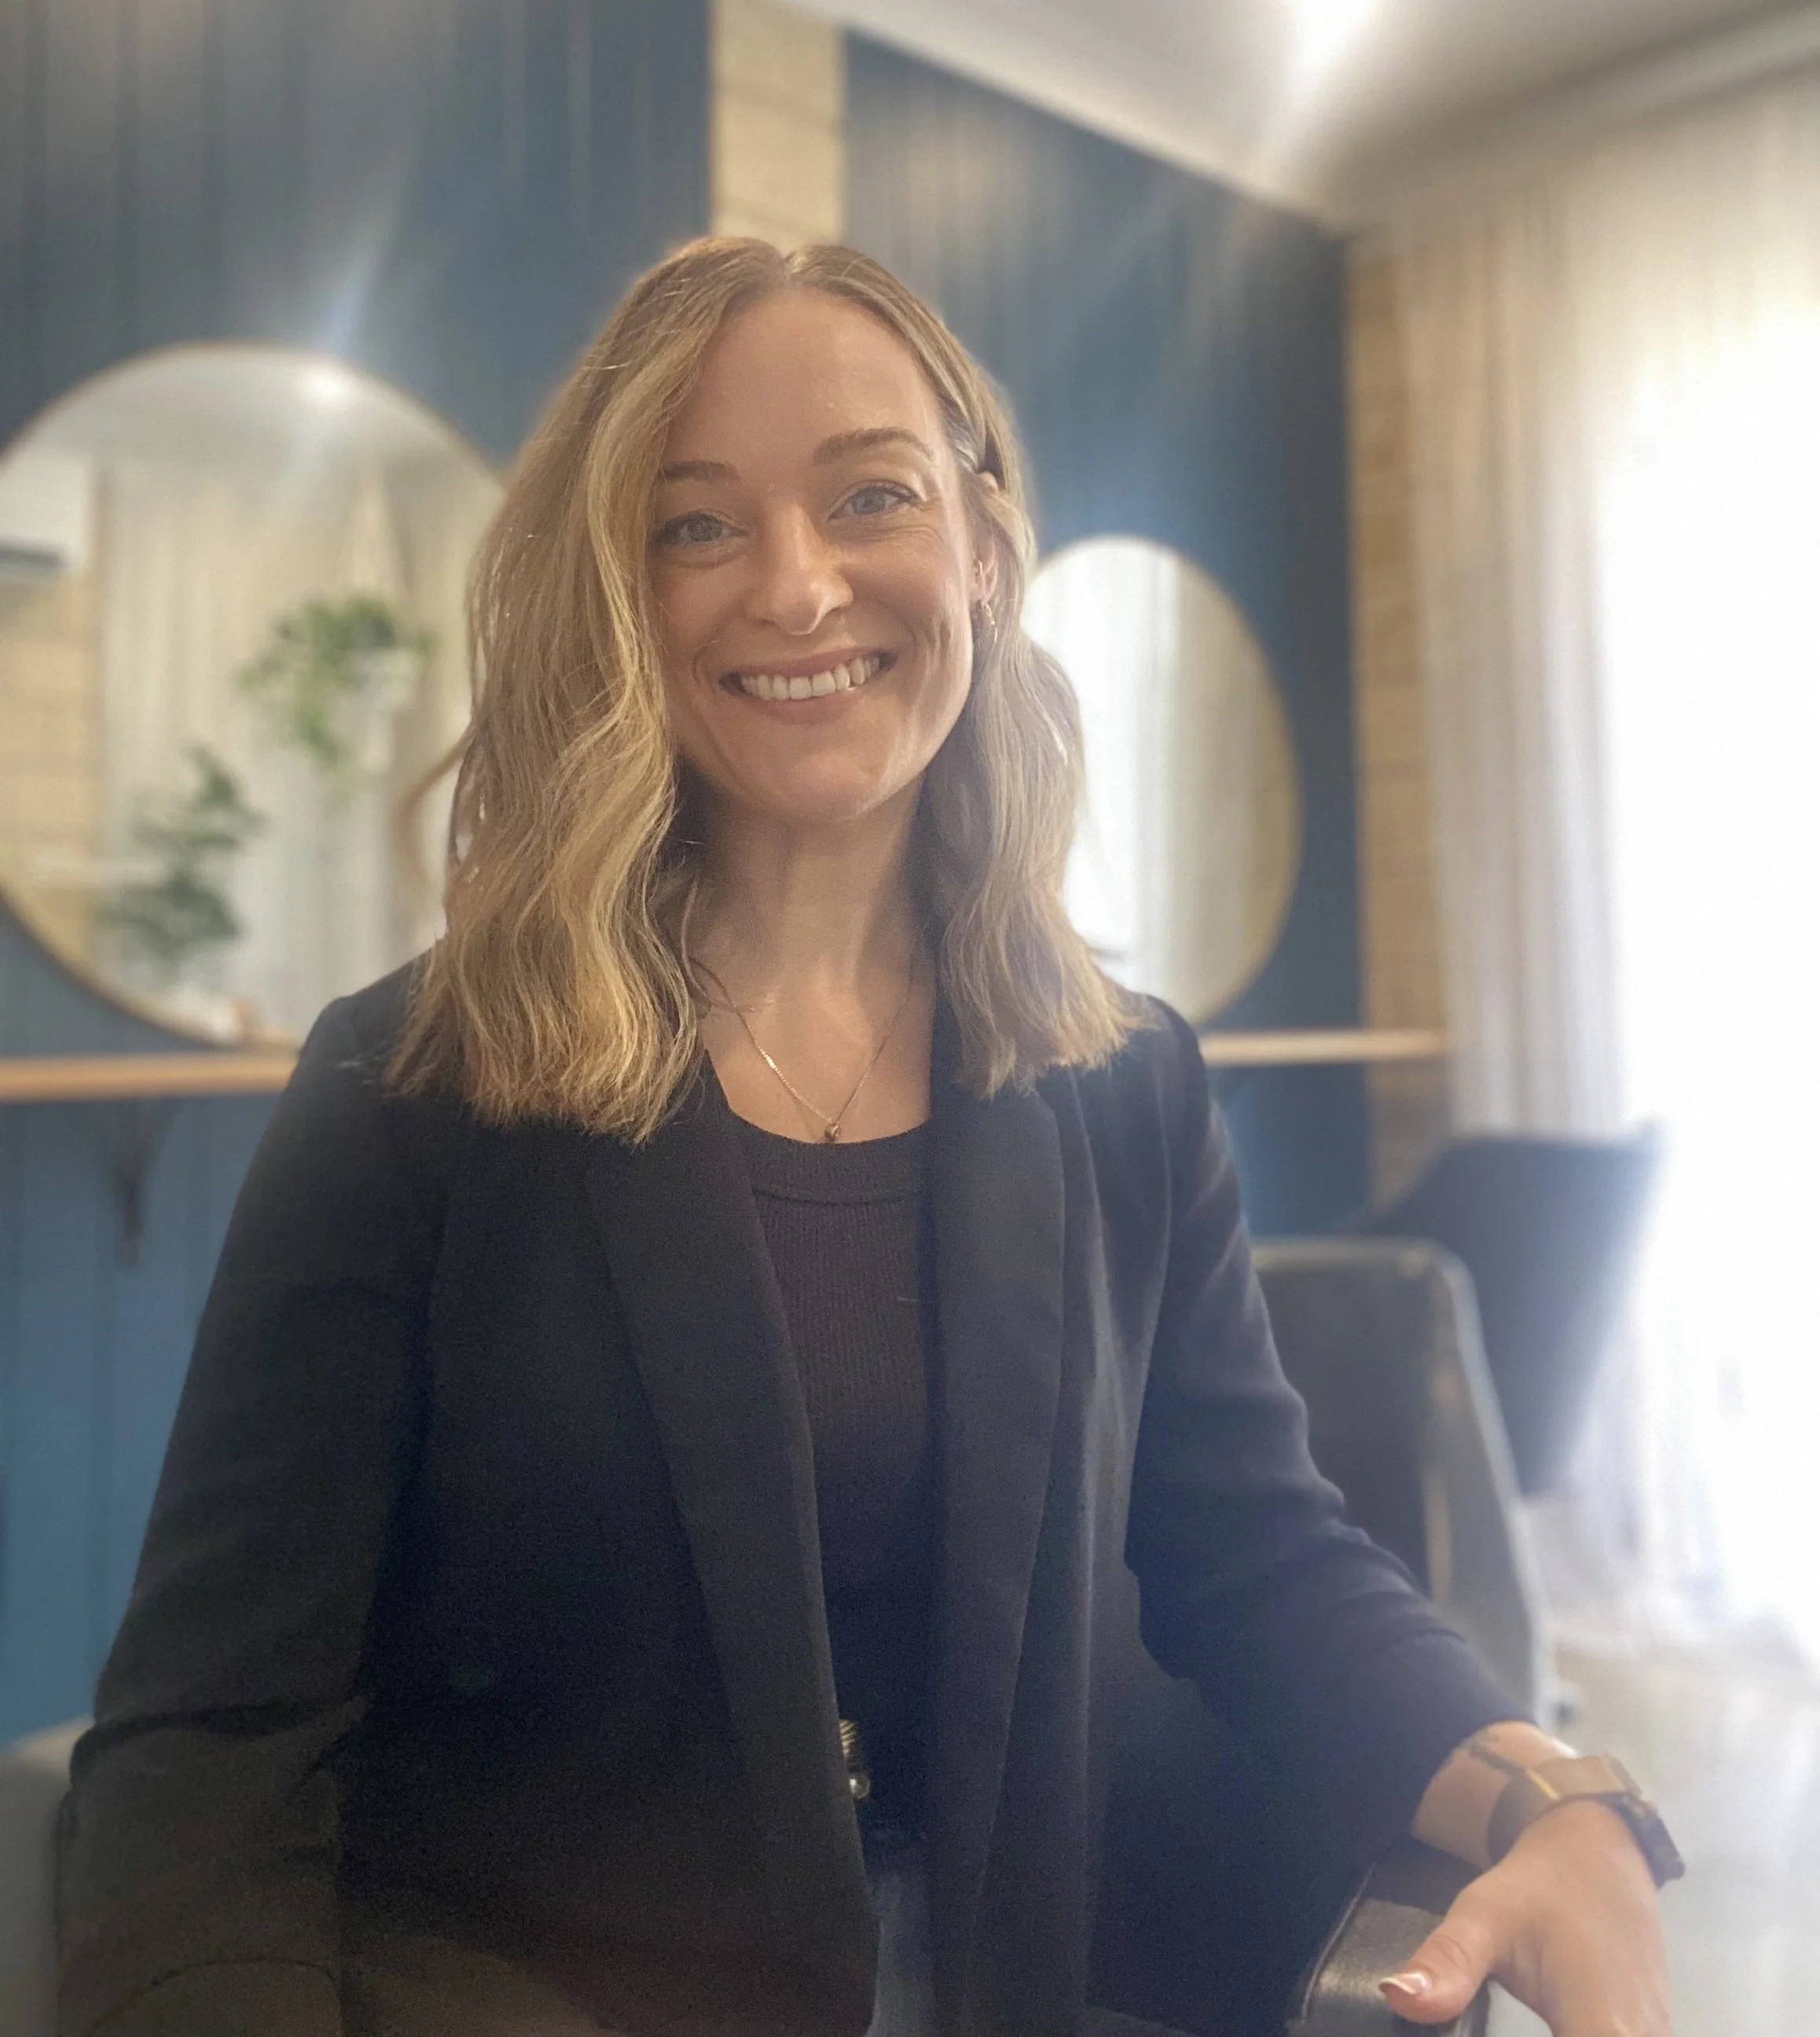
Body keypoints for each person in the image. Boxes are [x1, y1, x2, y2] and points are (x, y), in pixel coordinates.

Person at [55, 240, 1674, 2037]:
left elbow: (1263, 1551)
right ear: (616, 594)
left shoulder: (1122, 1079)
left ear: (980, 552)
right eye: (696, 524)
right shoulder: (413, 1084)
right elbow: (213, 1740)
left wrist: (1559, 1794)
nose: (797, 583)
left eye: (870, 494)